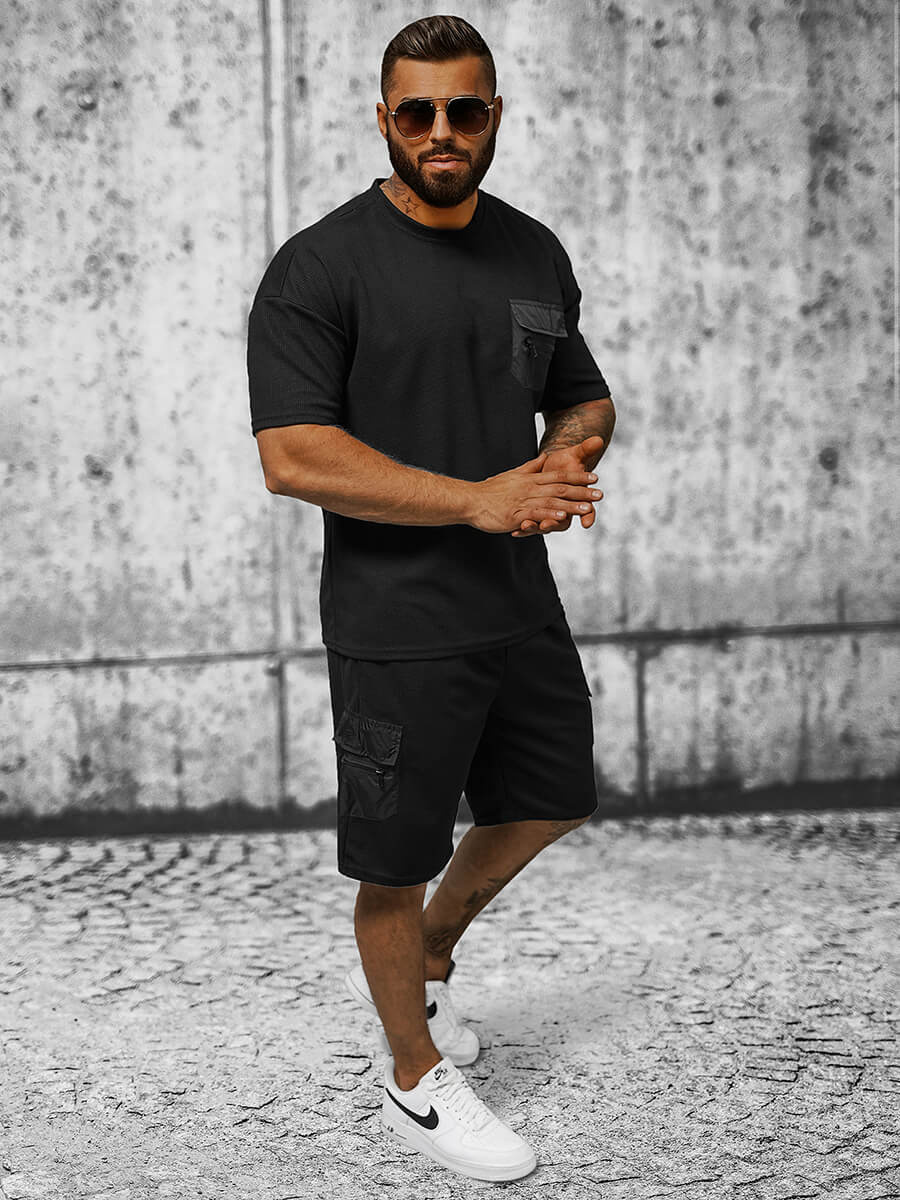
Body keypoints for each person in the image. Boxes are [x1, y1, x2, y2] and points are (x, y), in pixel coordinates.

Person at [246, 13, 616, 1183]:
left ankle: (438, 956)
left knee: (555, 796)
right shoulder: (319, 268)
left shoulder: (532, 251)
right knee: (393, 865)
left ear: (494, 114)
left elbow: (583, 395)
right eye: (418, 111)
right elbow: (294, 455)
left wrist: (564, 461)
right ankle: (414, 1077)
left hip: (517, 600)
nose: (441, 130)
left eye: (465, 109)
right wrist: (476, 500)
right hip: (394, 624)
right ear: (386, 119)